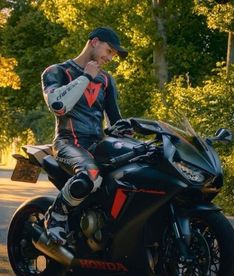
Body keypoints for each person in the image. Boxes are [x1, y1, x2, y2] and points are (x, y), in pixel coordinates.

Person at [41, 26, 129, 245]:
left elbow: (115, 120)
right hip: (67, 143)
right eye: (109, 51)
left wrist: (131, 133)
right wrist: (86, 77)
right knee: (90, 172)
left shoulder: (107, 81)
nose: (110, 58)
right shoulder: (56, 71)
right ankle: (56, 216)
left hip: (98, 145)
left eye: (113, 55)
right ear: (94, 42)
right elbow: (58, 105)